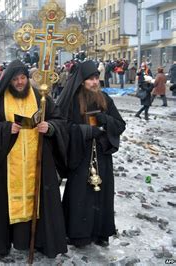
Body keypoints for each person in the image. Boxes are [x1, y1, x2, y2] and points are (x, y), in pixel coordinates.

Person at [0, 59, 68, 261]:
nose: (19, 82)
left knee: (40, 202)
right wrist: (5, 128)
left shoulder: (40, 97)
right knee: (6, 203)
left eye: (23, 78)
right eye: (15, 79)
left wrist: (50, 127)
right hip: (9, 162)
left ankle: (38, 241)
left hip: (38, 160)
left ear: (28, 79)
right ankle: (4, 244)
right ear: (8, 80)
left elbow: (59, 120)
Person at [57, 61, 126, 248]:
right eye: (90, 79)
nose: (95, 82)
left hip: (102, 156)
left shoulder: (105, 99)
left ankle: (101, 232)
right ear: (82, 81)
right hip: (81, 155)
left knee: (102, 195)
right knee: (80, 195)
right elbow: (63, 127)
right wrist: (86, 131)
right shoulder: (72, 101)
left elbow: (120, 125)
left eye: (96, 78)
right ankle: (78, 235)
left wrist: (107, 120)